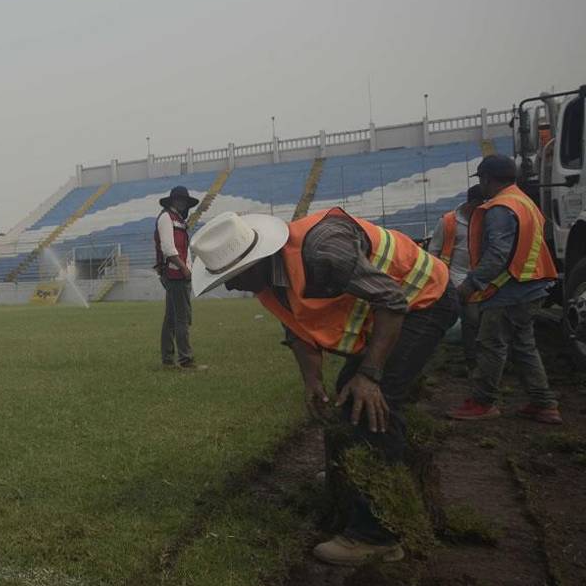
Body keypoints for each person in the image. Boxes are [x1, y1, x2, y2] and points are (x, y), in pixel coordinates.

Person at [190, 208, 455, 566]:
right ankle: (349, 486)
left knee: (369, 404)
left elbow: (393, 301)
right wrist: (312, 380)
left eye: (235, 276)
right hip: (391, 311)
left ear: (258, 260)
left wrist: (371, 375)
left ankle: (377, 536)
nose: (232, 286)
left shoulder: (325, 252)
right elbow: (296, 329)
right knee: (349, 394)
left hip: (423, 301)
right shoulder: (270, 279)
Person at [446, 155, 561, 424]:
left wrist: (471, 285)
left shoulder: (501, 207)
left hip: (510, 289)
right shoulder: (524, 202)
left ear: (487, 179)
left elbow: (498, 253)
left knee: (490, 344)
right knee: (523, 346)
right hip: (531, 284)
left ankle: (483, 401)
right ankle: (544, 403)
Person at [427, 184, 485, 371]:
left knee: (475, 321)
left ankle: (475, 359)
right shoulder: (449, 221)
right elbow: (434, 252)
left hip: (478, 278)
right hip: (453, 278)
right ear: (473, 203)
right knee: (470, 318)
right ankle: (471, 361)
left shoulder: (487, 219)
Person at [154, 185, 203, 370]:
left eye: (184, 201)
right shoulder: (167, 218)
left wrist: (188, 266)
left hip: (178, 272)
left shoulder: (178, 220)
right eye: (180, 200)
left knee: (171, 317)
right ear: (173, 201)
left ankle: (167, 359)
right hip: (175, 274)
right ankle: (186, 359)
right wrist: (184, 269)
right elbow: (168, 248)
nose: (182, 203)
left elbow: (183, 249)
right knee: (182, 318)